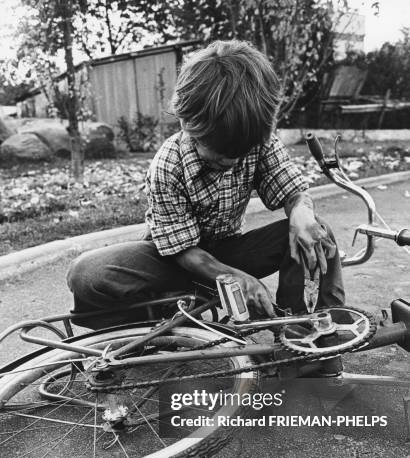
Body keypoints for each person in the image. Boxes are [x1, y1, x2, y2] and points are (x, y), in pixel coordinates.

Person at [67, 40, 345, 329]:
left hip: (228, 250)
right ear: (188, 124)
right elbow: (182, 251)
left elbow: (293, 192)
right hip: (172, 260)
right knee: (86, 274)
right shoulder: (168, 163)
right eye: (221, 153)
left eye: (240, 153)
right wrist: (234, 277)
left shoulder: (257, 140)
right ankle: (145, 329)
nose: (232, 162)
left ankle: (309, 332)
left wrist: (302, 213)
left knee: (316, 233)